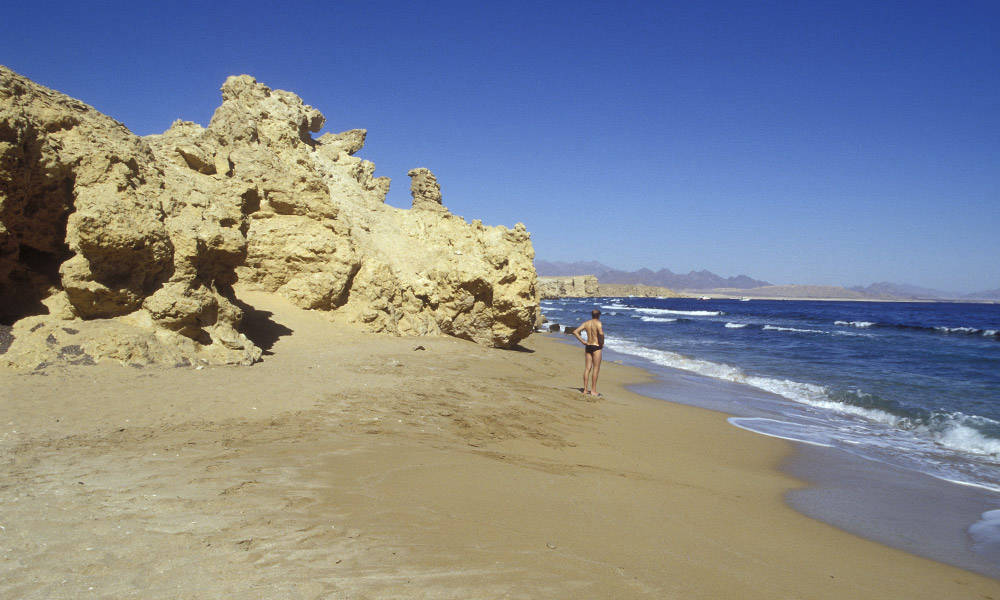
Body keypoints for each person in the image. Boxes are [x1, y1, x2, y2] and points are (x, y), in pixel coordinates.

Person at [572, 309, 604, 396]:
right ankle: (593, 390)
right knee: (596, 368)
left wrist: (583, 341)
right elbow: (601, 334)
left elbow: (575, 332)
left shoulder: (586, 323)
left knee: (587, 368)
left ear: (592, 315)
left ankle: (585, 390)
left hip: (588, 345)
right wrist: (602, 343)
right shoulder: (598, 323)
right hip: (596, 347)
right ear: (599, 315)